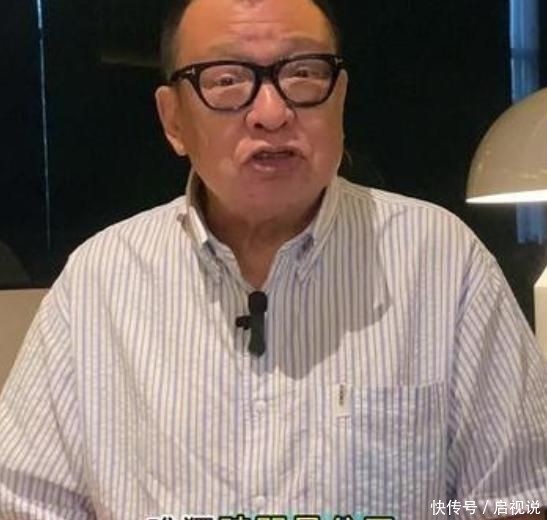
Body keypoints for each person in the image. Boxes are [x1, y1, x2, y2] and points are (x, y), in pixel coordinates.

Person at [1, 0, 547, 518]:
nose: (271, 112)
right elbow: (27, 503)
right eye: (226, 80)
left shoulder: (442, 261)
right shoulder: (98, 281)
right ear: (173, 120)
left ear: (340, 98)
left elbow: (513, 502)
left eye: (303, 73)